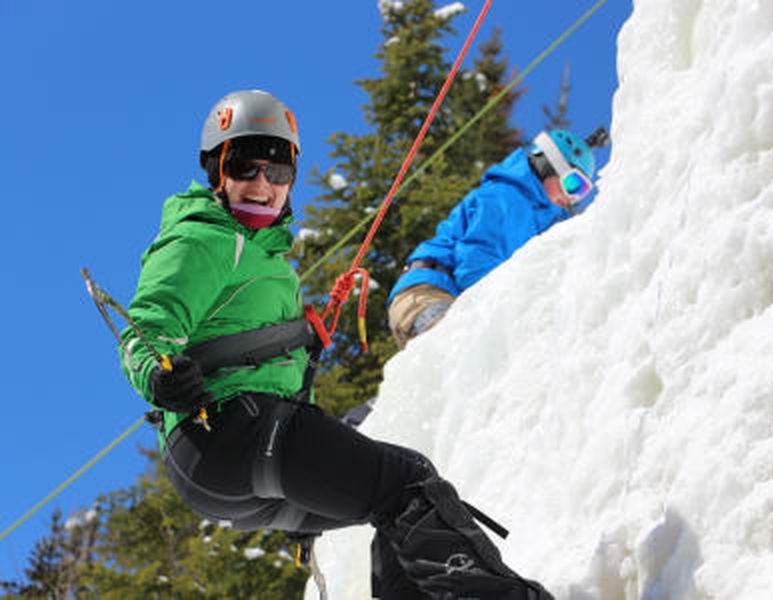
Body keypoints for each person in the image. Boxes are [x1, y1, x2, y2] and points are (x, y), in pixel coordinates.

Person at [119, 89, 552, 600]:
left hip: (229, 463)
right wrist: (159, 373)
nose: (263, 184)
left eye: (278, 171)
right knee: (407, 483)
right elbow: (145, 326)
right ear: (216, 170)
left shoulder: (266, 260)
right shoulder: (204, 239)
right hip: (225, 432)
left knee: (397, 498)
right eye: (244, 167)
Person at [387, 127, 609, 348]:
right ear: (547, 164)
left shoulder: (535, 217)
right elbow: (475, 266)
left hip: (443, 298)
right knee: (458, 351)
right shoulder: (507, 198)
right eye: (573, 184)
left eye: (581, 192)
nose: (571, 197)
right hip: (428, 294)